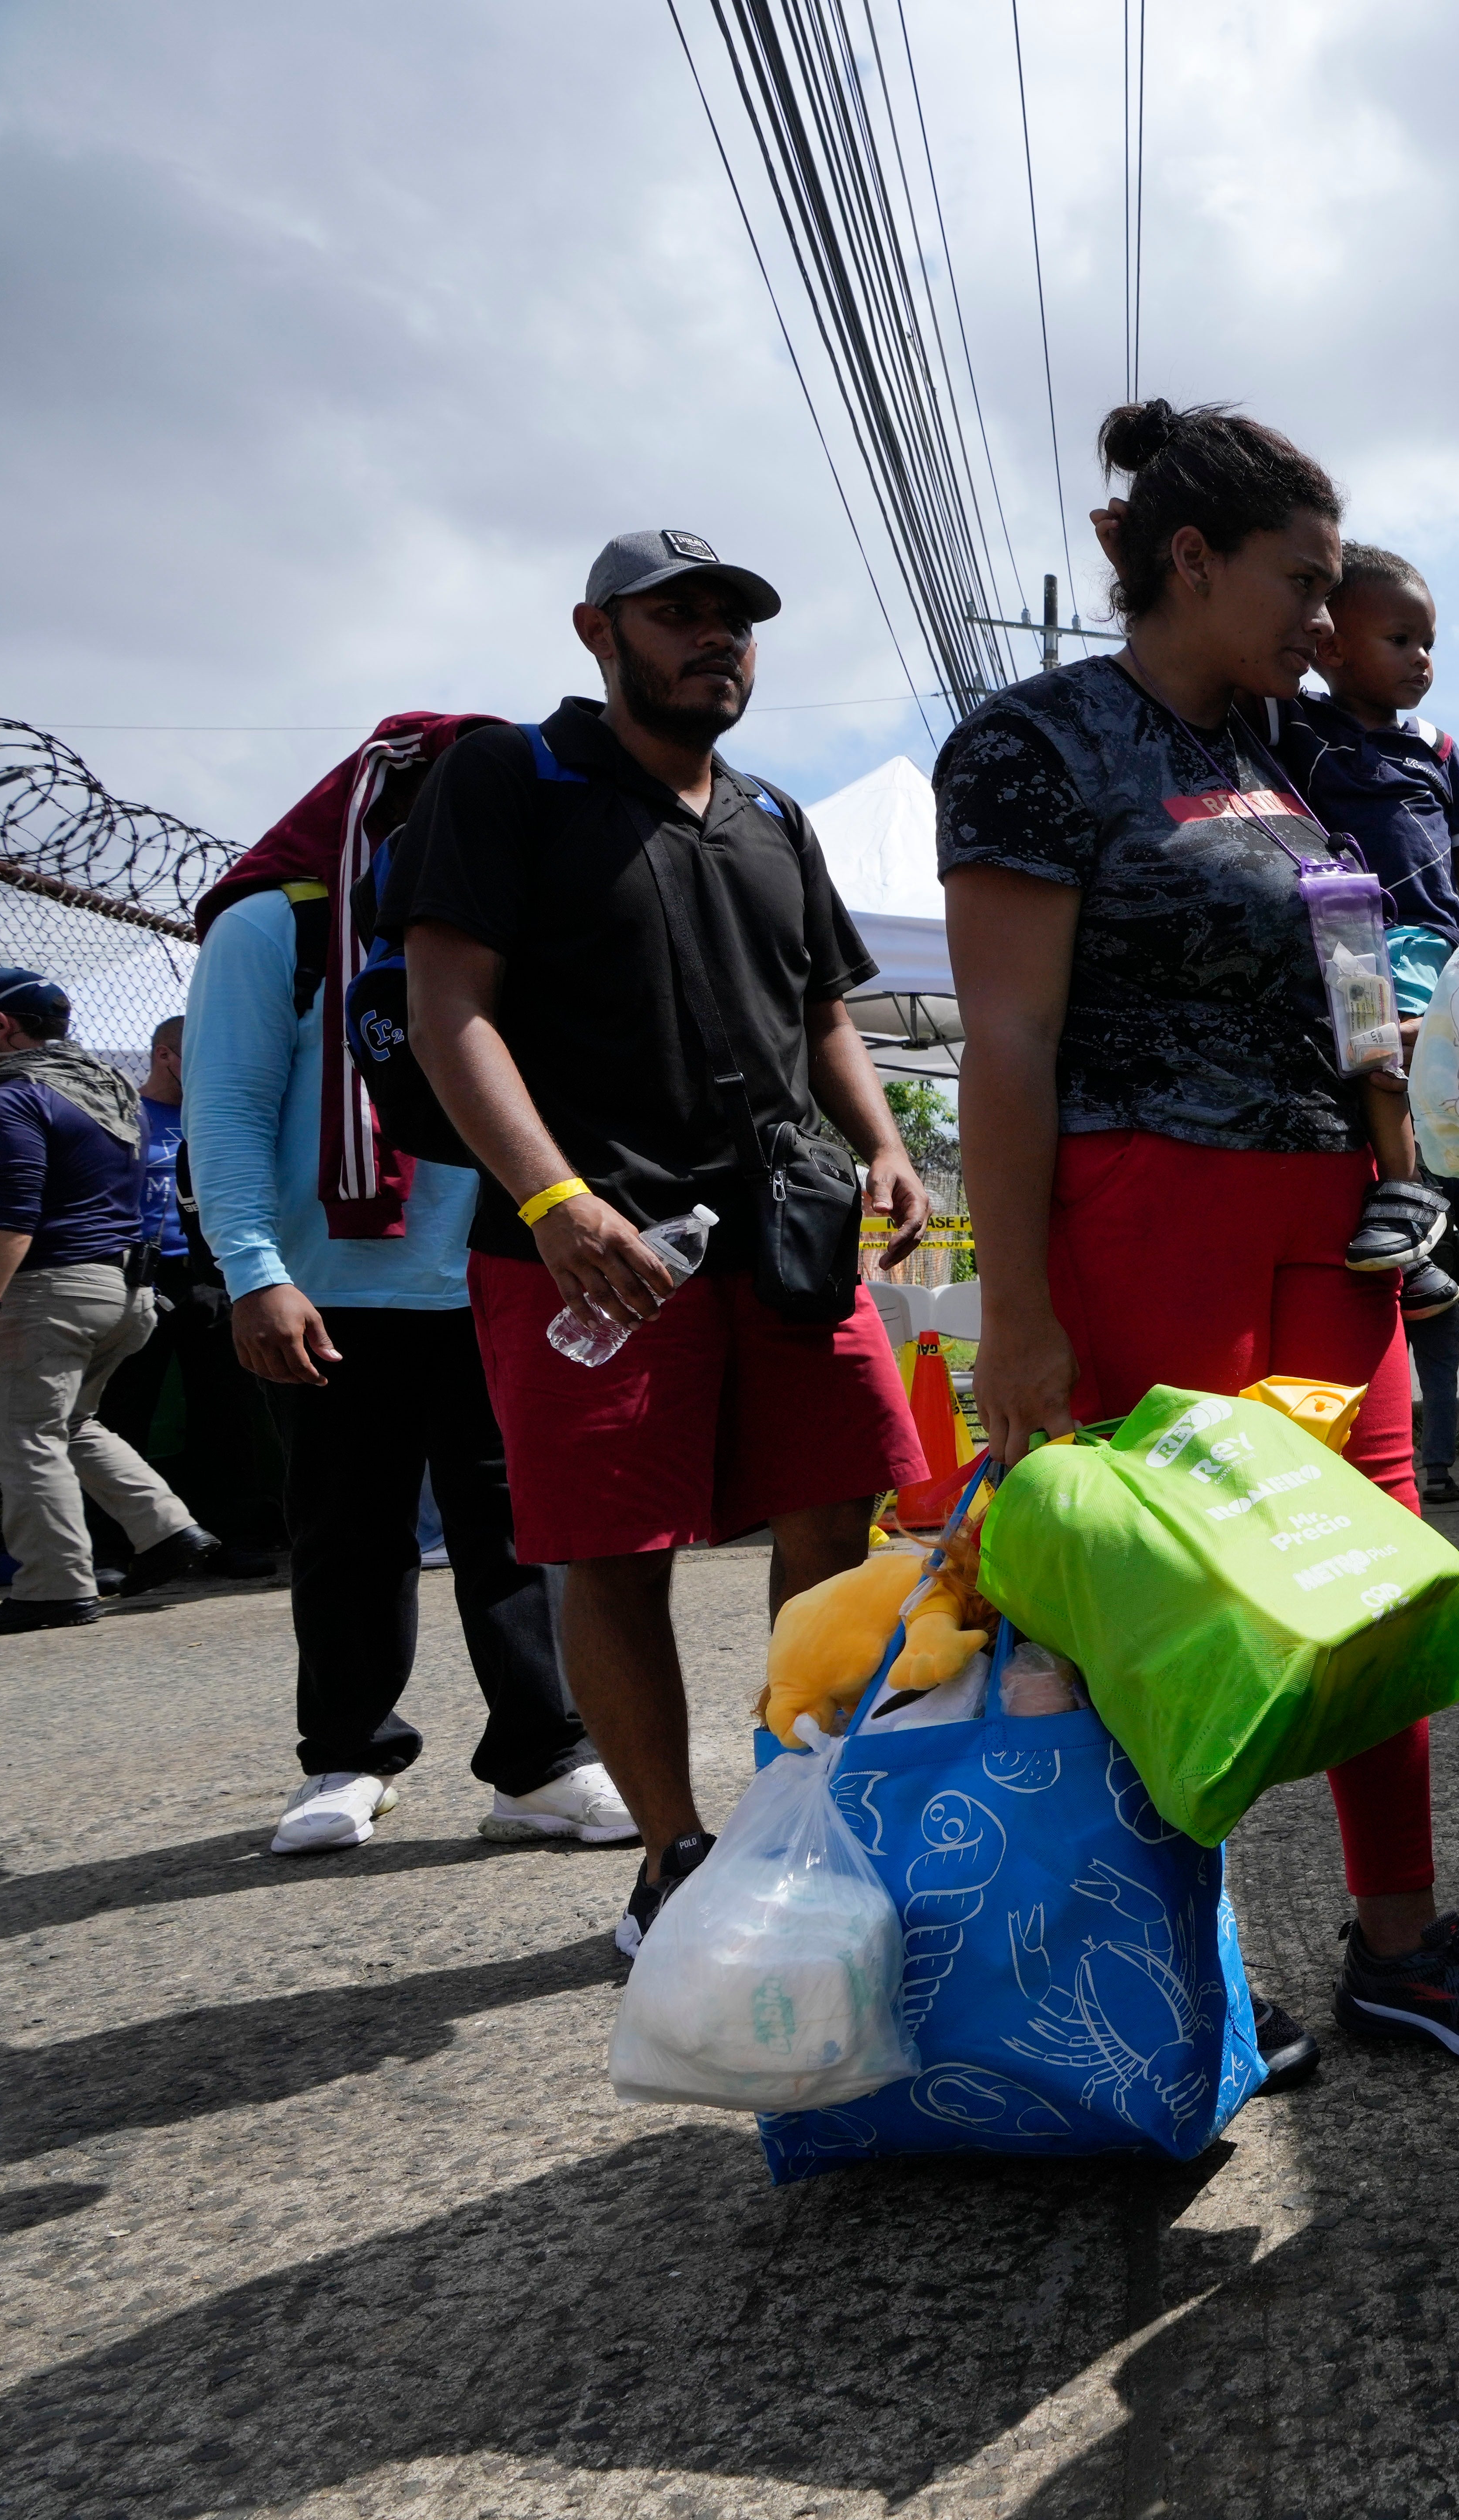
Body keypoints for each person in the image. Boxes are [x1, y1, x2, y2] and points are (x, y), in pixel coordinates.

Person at [938, 400, 1459, 2081]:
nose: (1322, 620)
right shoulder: (1037, 746)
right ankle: (1157, 1978)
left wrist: (1403, 1159)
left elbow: (1365, 983)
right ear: (1191, 561)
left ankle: (1402, 1946)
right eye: (1302, 583)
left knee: (1368, 1589)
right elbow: (1007, 1042)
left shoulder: (1292, 761)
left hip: (1328, 1233)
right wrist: (1017, 1313)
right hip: (1144, 1213)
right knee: (1175, 1604)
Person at [386, 529, 931, 1957]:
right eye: (678, 616)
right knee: (611, 1549)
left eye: (736, 621)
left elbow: (823, 1013)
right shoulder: (512, 778)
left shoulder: (773, 816)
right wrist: (552, 1199)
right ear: (597, 630)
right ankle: (673, 1858)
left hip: (789, 1234)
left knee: (840, 1507)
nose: (715, 640)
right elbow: (453, 1007)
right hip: (594, 1247)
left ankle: (798, 1811)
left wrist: (880, 1140)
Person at [190, 718, 623, 1858]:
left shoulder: (514, 922)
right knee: (346, 1534)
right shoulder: (269, 929)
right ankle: (346, 1758)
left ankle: (542, 1761)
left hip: (497, 1273)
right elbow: (225, 1112)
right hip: (328, 1291)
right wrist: (255, 1275)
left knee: (521, 1533)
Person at [1275, 543, 1459, 1498]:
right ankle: (1413, 1213)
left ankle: (1418, 1213)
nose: (1422, 660)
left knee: (1404, 1062)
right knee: (1377, 1058)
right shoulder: (1294, 727)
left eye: (1430, 643)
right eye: (1400, 639)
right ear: (1331, 648)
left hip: (1431, 942)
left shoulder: (1440, 750)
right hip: (1342, 926)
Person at [0, 968, 221, 1635]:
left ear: (2, 1025)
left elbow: (15, 1209)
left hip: (52, 1289)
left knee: (22, 1436)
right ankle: (167, 1531)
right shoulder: (102, 1088)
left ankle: (53, 1587)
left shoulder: (14, 1095)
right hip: (126, 1289)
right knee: (72, 1423)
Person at [94, 1018, 284, 1581]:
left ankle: (231, 1535)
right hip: (140, 1279)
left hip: (211, 1276)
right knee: (120, 1412)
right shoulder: (124, 1120)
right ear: (165, 1057)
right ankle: (113, 1546)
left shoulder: (217, 1120)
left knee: (227, 1411)